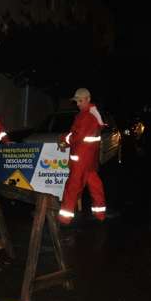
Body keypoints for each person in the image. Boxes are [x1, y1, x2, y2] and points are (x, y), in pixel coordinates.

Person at [57, 88, 107, 224]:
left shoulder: (86, 116)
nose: (78, 103)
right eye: (76, 101)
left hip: (81, 159)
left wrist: (63, 139)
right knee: (95, 186)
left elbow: (77, 136)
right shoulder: (92, 115)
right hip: (89, 159)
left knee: (72, 187)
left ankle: (64, 219)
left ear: (88, 99)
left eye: (80, 100)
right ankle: (100, 214)